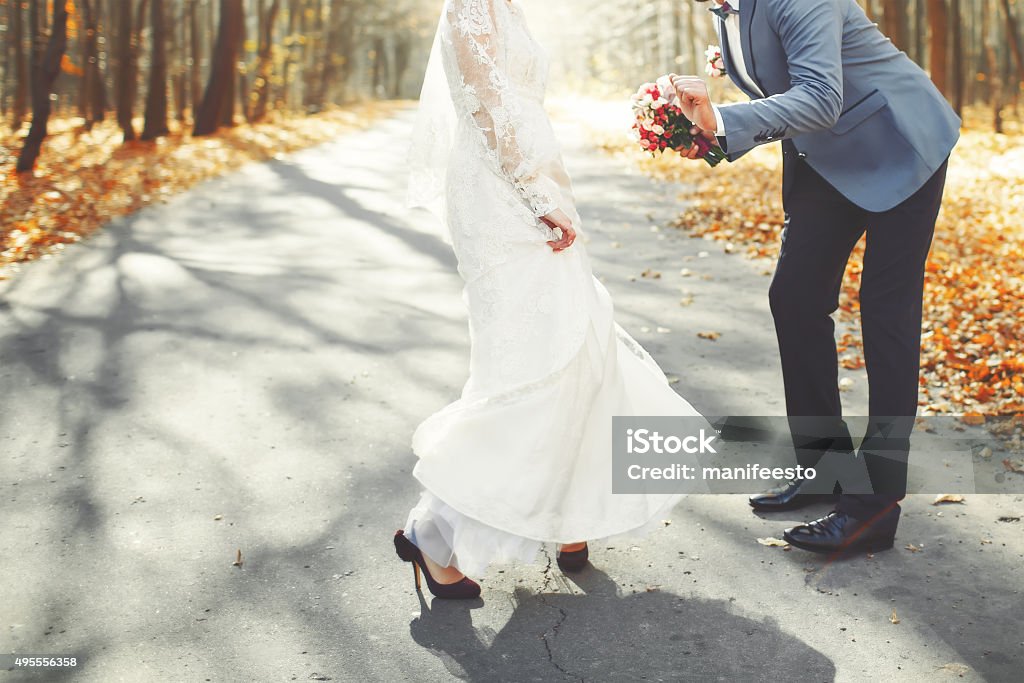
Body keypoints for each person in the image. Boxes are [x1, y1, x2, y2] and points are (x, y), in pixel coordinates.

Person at [395, 0, 703, 599]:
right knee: (532, 361)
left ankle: (567, 514)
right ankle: (433, 535)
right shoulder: (470, 8)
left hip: (539, 179)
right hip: (500, 193)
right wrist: (534, 198)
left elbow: (524, 101)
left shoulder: (511, 9)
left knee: (582, 342)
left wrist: (655, 102)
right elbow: (487, 107)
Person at [670, 0, 960, 554]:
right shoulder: (727, 9)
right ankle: (827, 467)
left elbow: (822, 96)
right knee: (795, 299)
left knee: (885, 313)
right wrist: (709, 133)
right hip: (828, 160)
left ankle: (875, 504)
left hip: (901, 143)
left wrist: (725, 119)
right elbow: (779, 84)